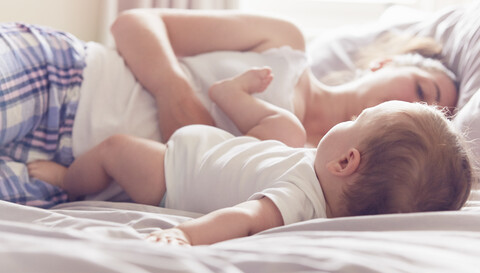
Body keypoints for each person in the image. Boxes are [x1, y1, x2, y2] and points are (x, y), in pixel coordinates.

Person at [0, 9, 459, 207]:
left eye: (424, 117)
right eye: (421, 89)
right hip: (65, 81)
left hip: (76, 185)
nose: (407, 105)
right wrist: (172, 90)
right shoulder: (285, 43)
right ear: (386, 62)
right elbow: (134, 23)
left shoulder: (326, 176)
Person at [27, 71, 473, 245]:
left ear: (345, 162)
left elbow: (243, 217)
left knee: (116, 150)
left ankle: (68, 177)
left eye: (356, 119)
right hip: (228, 149)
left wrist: (183, 235)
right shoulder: (317, 178)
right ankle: (229, 94)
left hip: (172, 171)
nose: (348, 118)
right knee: (289, 132)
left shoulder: (293, 199)